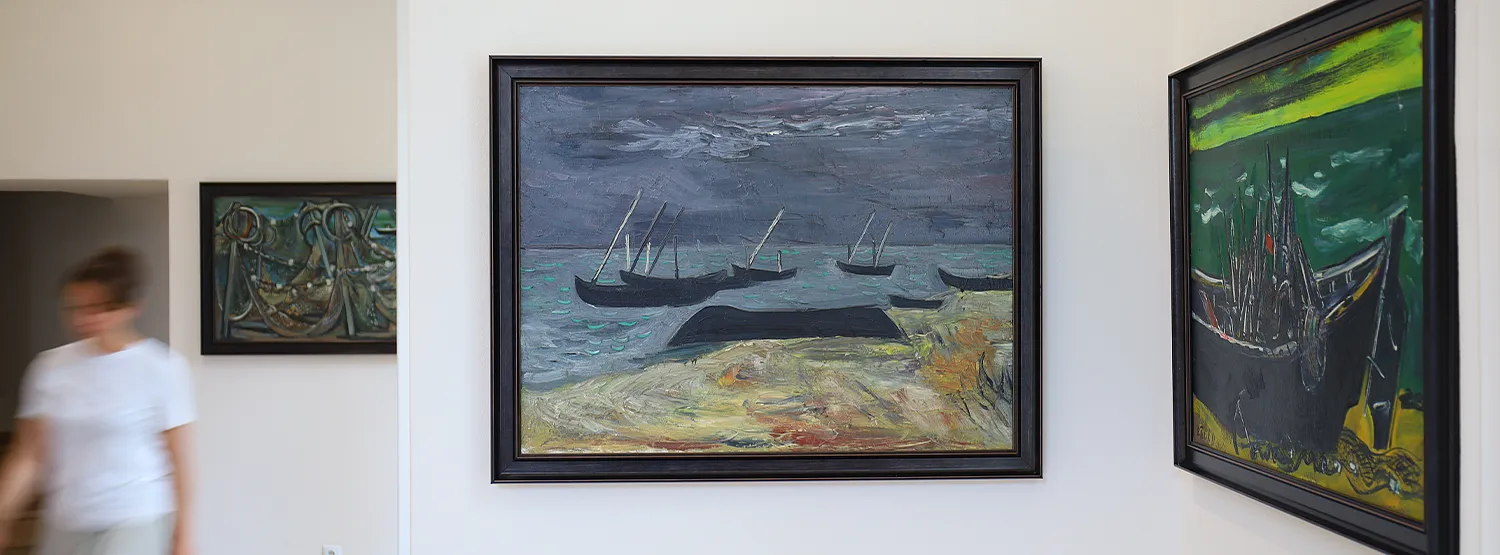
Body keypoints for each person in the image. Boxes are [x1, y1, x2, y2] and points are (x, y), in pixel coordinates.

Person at [0, 247, 196, 555]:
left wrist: (183, 538)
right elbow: (30, 454)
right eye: (75, 307)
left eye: (96, 308)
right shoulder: (49, 368)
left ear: (130, 307)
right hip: (66, 520)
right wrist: (3, 511)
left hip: (134, 519)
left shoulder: (162, 367)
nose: (83, 318)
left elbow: (178, 461)